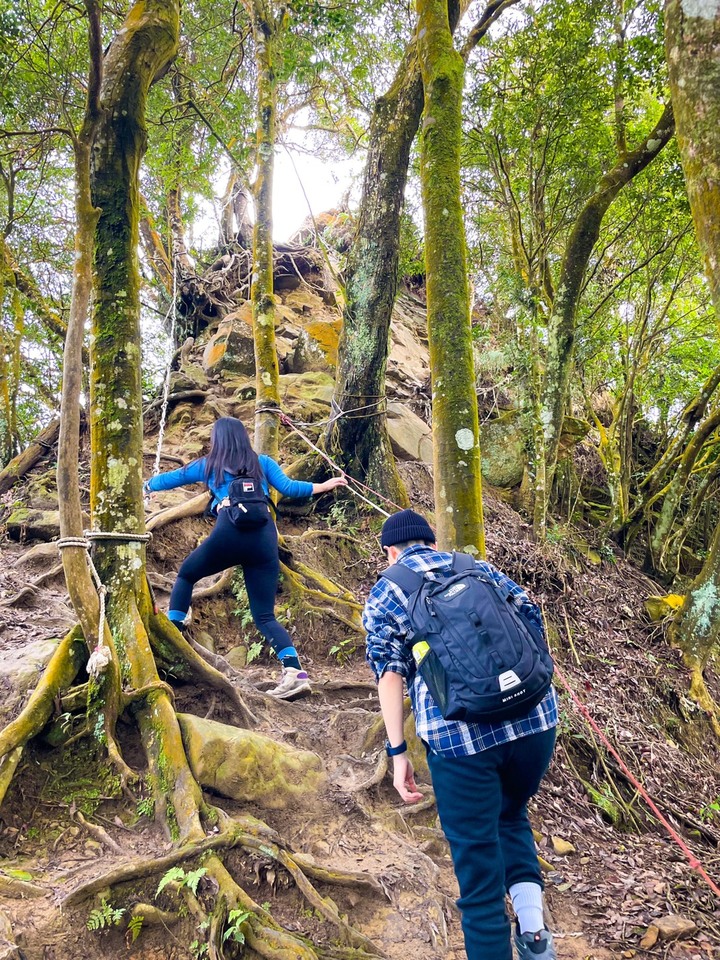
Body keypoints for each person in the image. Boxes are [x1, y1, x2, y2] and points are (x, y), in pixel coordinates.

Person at [363, 509, 558, 960]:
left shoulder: (387, 590)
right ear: (432, 543)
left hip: (460, 741)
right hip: (535, 721)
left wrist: (398, 752)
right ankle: (534, 937)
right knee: (510, 814)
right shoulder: (476, 568)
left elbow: (390, 673)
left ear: (390, 552)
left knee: (478, 875)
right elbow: (529, 612)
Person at [144, 416, 347, 700]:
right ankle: (296, 674)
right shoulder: (261, 462)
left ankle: (173, 639)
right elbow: (290, 488)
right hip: (264, 540)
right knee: (264, 615)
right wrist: (324, 485)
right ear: (243, 436)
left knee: (187, 575)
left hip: (229, 533)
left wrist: (147, 486)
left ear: (217, 439)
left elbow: (172, 479)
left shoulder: (209, 464)